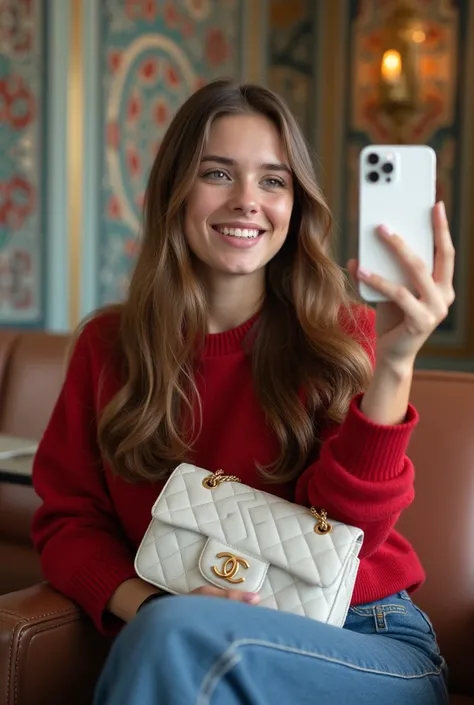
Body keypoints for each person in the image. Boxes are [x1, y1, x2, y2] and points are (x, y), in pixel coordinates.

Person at [31, 79, 455, 705]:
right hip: (186, 633)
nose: (247, 201)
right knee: (176, 638)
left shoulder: (347, 336)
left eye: (273, 180)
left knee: (179, 639)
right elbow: (69, 521)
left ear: (296, 204)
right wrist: (150, 607)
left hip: (368, 638)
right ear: (176, 191)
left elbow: (348, 530)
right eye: (218, 174)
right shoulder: (109, 345)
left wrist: (393, 363)